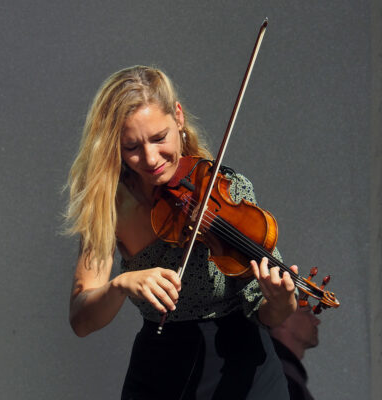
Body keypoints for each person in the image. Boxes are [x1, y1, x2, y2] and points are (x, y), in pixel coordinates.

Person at [64, 65, 300, 399]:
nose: (150, 158)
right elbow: (81, 320)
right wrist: (120, 285)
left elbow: (270, 313)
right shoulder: (108, 206)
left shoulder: (226, 190)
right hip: (161, 375)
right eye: (131, 146)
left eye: (159, 138)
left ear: (177, 117)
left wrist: (282, 298)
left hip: (242, 372)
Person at [270, 306, 320, 400]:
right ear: (282, 318)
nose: (316, 321)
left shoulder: (275, 373)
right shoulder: (279, 378)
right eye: (306, 312)